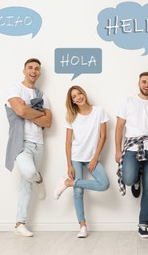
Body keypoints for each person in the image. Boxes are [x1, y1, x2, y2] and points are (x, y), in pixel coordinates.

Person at [115, 72, 148, 238]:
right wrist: (117, 150)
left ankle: (143, 225)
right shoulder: (128, 101)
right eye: (144, 82)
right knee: (128, 178)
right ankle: (135, 179)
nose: (147, 85)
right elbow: (119, 126)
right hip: (132, 146)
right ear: (139, 83)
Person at [5, 58, 52, 237]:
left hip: (38, 143)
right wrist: (36, 113)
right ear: (24, 70)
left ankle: (19, 223)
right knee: (30, 173)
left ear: (39, 73)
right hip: (20, 142)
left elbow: (48, 122)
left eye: (37, 69)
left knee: (26, 183)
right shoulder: (15, 88)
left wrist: (28, 111)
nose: (34, 71)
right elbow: (20, 111)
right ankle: (39, 179)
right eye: (30, 68)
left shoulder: (42, 95)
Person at [54, 85, 109, 238]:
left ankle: (67, 183)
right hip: (76, 157)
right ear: (72, 101)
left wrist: (95, 157)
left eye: (79, 93)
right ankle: (82, 226)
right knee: (78, 192)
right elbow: (68, 142)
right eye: (74, 96)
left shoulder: (99, 111)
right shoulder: (72, 116)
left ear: (84, 94)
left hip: (92, 157)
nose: (78, 97)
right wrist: (69, 164)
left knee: (104, 184)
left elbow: (103, 136)